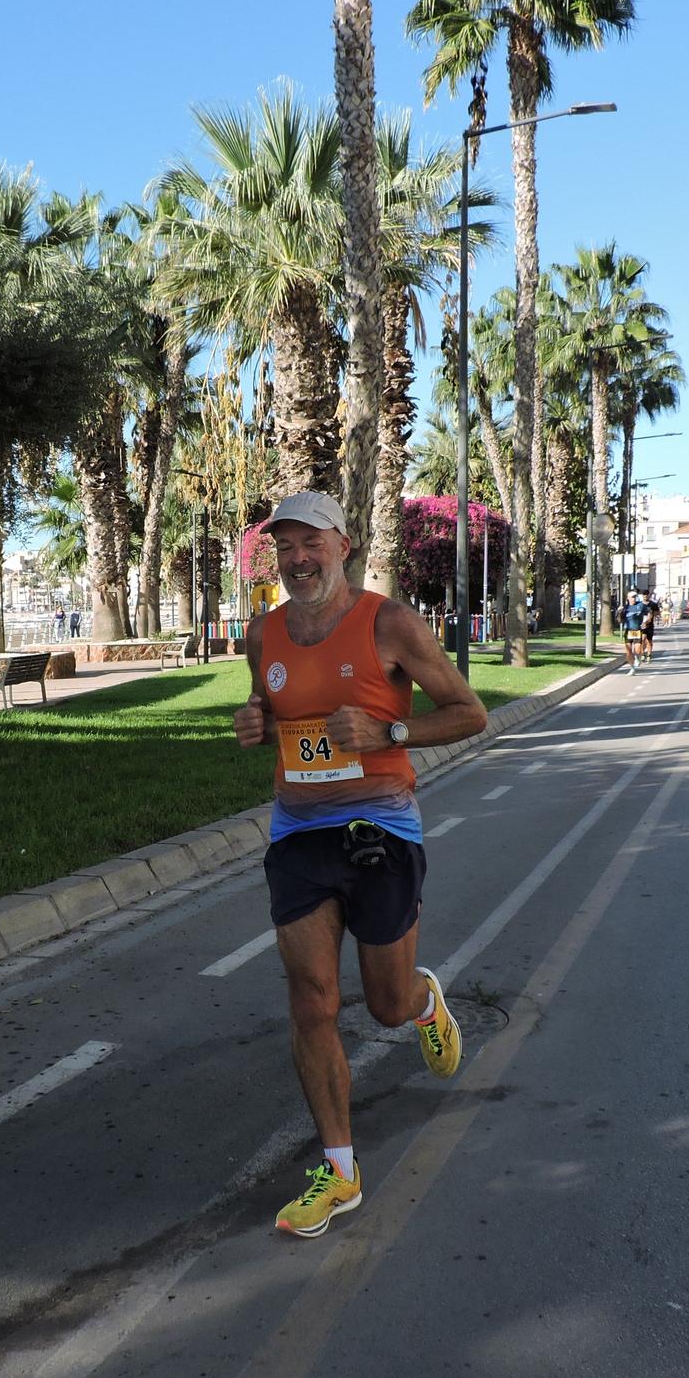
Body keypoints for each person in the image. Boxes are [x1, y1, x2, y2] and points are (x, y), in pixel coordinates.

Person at [231, 493, 488, 1239]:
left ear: (344, 544)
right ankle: (340, 1173)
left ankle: (422, 1000)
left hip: (382, 826)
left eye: (311, 544)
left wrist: (389, 729)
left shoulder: (390, 624)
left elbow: (469, 712)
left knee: (381, 1006)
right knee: (312, 1000)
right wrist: (255, 721)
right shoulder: (262, 635)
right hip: (298, 834)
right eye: (285, 548)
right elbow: (273, 710)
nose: (298, 560)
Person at [620, 591, 649, 673]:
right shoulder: (625, 607)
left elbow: (648, 613)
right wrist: (619, 612)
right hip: (628, 630)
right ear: (628, 598)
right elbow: (620, 620)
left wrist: (645, 622)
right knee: (628, 650)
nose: (633, 598)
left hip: (637, 629)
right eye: (632, 597)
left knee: (637, 649)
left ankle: (637, 658)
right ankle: (632, 667)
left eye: (635, 597)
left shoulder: (640, 605)